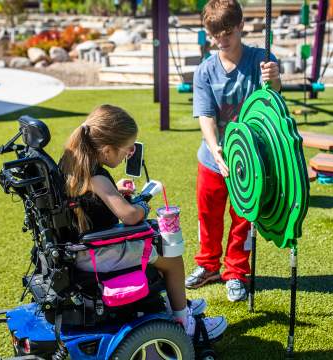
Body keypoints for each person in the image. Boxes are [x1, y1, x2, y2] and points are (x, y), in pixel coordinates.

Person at [59, 104, 228, 340]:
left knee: (156, 248)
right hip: (97, 254)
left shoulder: (73, 163)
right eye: (126, 150)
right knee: (171, 259)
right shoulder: (97, 176)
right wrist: (142, 205)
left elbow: (88, 198)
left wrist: (114, 190)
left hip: (79, 250)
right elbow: (129, 216)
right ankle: (183, 322)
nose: (129, 154)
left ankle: (175, 302)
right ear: (107, 151)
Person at [185, 0, 282, 302]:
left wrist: (275, 80)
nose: (220, 41)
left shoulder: (262, 60)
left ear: (241, 26)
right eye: (214, 36)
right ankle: (208, 265)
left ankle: (236, 271)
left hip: (251, 161)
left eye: (227, 33)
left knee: (243, 218)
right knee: (207, 215)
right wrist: (215, 150)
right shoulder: (205, 71)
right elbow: (206, 116)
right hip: (213, 158)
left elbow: (272, 102)